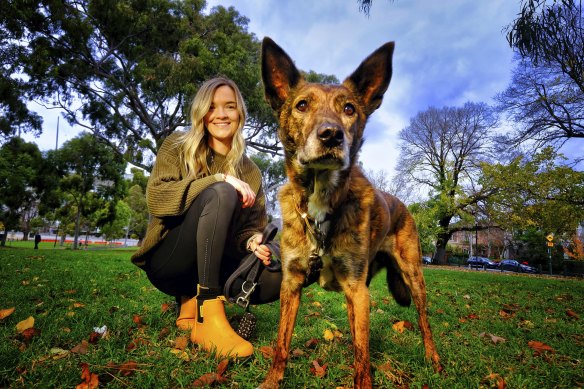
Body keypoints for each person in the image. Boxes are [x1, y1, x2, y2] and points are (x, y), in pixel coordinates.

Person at [131, 77, 281, 358]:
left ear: (240, 114)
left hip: (219, 261)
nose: (221, 114)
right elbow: (157, 199)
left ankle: (195, 301)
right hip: (170, 262)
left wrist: (253, 241)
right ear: (201, 112)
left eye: (230, 107)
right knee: (221, 192)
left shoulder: (251, 171)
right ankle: (207, 310)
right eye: (212, 107)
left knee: (278, 268)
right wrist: (219, 179)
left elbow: (248, 229)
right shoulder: (176, 145)